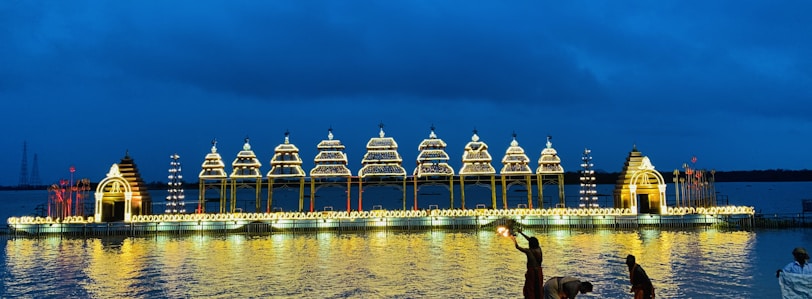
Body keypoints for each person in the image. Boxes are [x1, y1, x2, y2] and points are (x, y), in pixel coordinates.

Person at [511, 230, 543, 299]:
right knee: (539, 288)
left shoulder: (528, 251)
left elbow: (517, 247)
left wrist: (514, 239)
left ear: (530, 244)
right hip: (539, 271)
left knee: (530, 289)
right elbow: (530, 240)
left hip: (531, 272)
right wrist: (521, 233)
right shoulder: (539, 249)